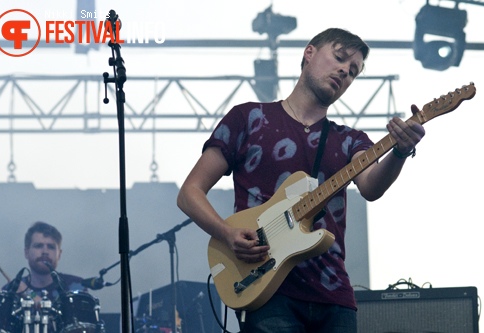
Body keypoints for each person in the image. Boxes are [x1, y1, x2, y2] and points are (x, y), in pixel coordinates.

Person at [176, 28, 425, 332]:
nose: (345, 70)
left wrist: (400, 151)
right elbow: (190, 192)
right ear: (309, 53)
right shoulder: (249, 119)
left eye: (353, 72)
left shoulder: (350, 140)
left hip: (334, 295)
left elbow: (371, 187)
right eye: (339, 57)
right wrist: (227, 233)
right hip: (267, 289)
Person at [3, 221, 86, 305]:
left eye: (51, 247)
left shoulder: (76, 287)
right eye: (38, 246)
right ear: (26, 252)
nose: (45, 251)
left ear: (59, 254)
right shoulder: (11, 290)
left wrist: (30, 293)